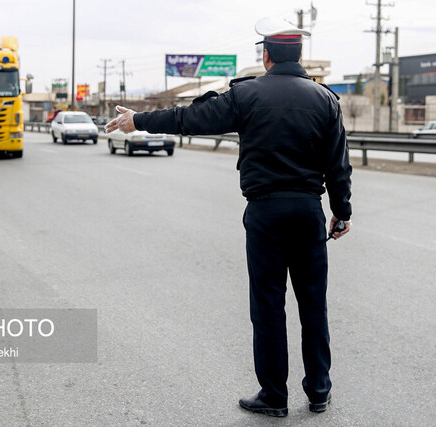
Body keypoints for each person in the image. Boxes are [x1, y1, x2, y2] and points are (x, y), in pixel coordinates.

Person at [105, 17, 352, 418]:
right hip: (308, 212)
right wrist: (341, 213)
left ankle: (274, 397)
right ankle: (319, 390)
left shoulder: (246, 95)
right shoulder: (325, 99)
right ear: (299, 54)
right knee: (313, 304)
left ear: (266, 54)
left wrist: (139, 120)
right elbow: (338, 164)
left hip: (265, 213)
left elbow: (190, 119)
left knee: (268, 305)